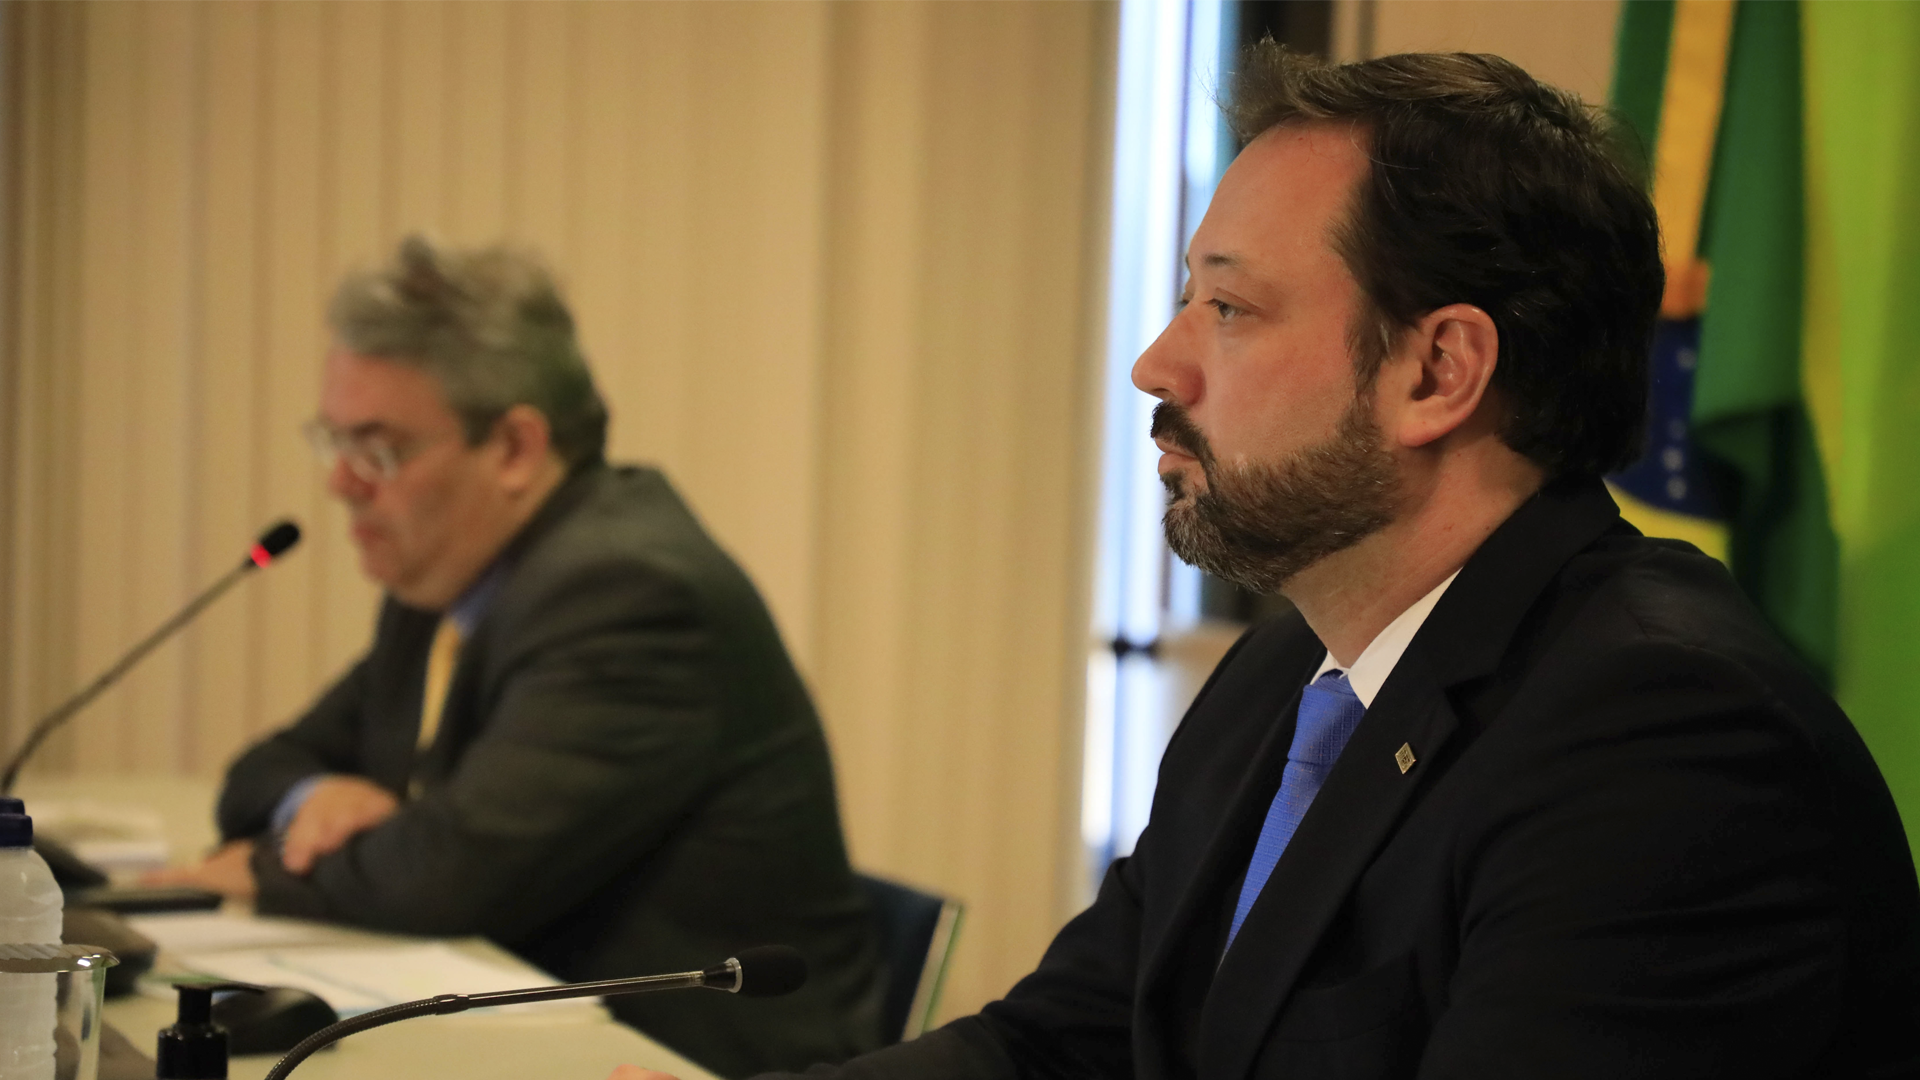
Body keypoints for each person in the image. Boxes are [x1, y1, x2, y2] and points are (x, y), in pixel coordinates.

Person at [613, 46, 1920, 1080]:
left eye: (1229, 307)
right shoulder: (1291, 669)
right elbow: (1067, 1043)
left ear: (1437, 371)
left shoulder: (1660, 738)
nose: (1158, 364)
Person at [153, 237, 884, 1078]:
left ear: (514, 449)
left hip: (690, 1059)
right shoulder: (447, 582)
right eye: (335, 442)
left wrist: (261, 867)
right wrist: (315, 797)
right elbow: (263, 771)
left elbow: (446, 874)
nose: (341, 484)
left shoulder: (629, 593)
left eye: (378, 449)